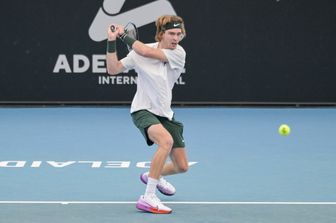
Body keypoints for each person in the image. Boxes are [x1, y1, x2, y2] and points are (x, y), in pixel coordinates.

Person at [106, 15, 188, 214]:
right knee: (165, 142)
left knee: (182, 166)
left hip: (164, 113)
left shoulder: (178, 53)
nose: (176, 38)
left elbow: (144, 50)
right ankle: (148, 196)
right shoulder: (138, 52)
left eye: (179, 34)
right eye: (171, 34)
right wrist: (111, 41)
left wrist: (123, 35)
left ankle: (153, 174)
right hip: (143, 109)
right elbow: (113, 69)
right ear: (162, 34)